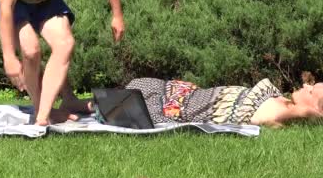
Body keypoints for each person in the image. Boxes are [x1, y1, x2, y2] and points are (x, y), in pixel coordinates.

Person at [123, 77, 323, 127]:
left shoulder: (278, 113)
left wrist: (312, 111)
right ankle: (98, 106)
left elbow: (310, 114)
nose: (306, 85)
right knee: (141, 84)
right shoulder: (282, 101)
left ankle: (94, 107)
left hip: (178, 108)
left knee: (132, 100)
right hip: (184, 93)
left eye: (311, 90)